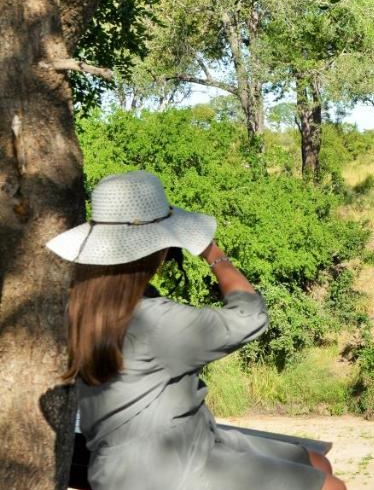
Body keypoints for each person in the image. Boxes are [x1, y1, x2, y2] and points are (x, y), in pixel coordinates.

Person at [47, 170, 346, 490]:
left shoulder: (82, 307)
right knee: (332, 487)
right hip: (166, 470)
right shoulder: (155, 321)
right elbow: (250, 317)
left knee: (318, 463)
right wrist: (213, 254)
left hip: (171, 445)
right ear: (158, 250)